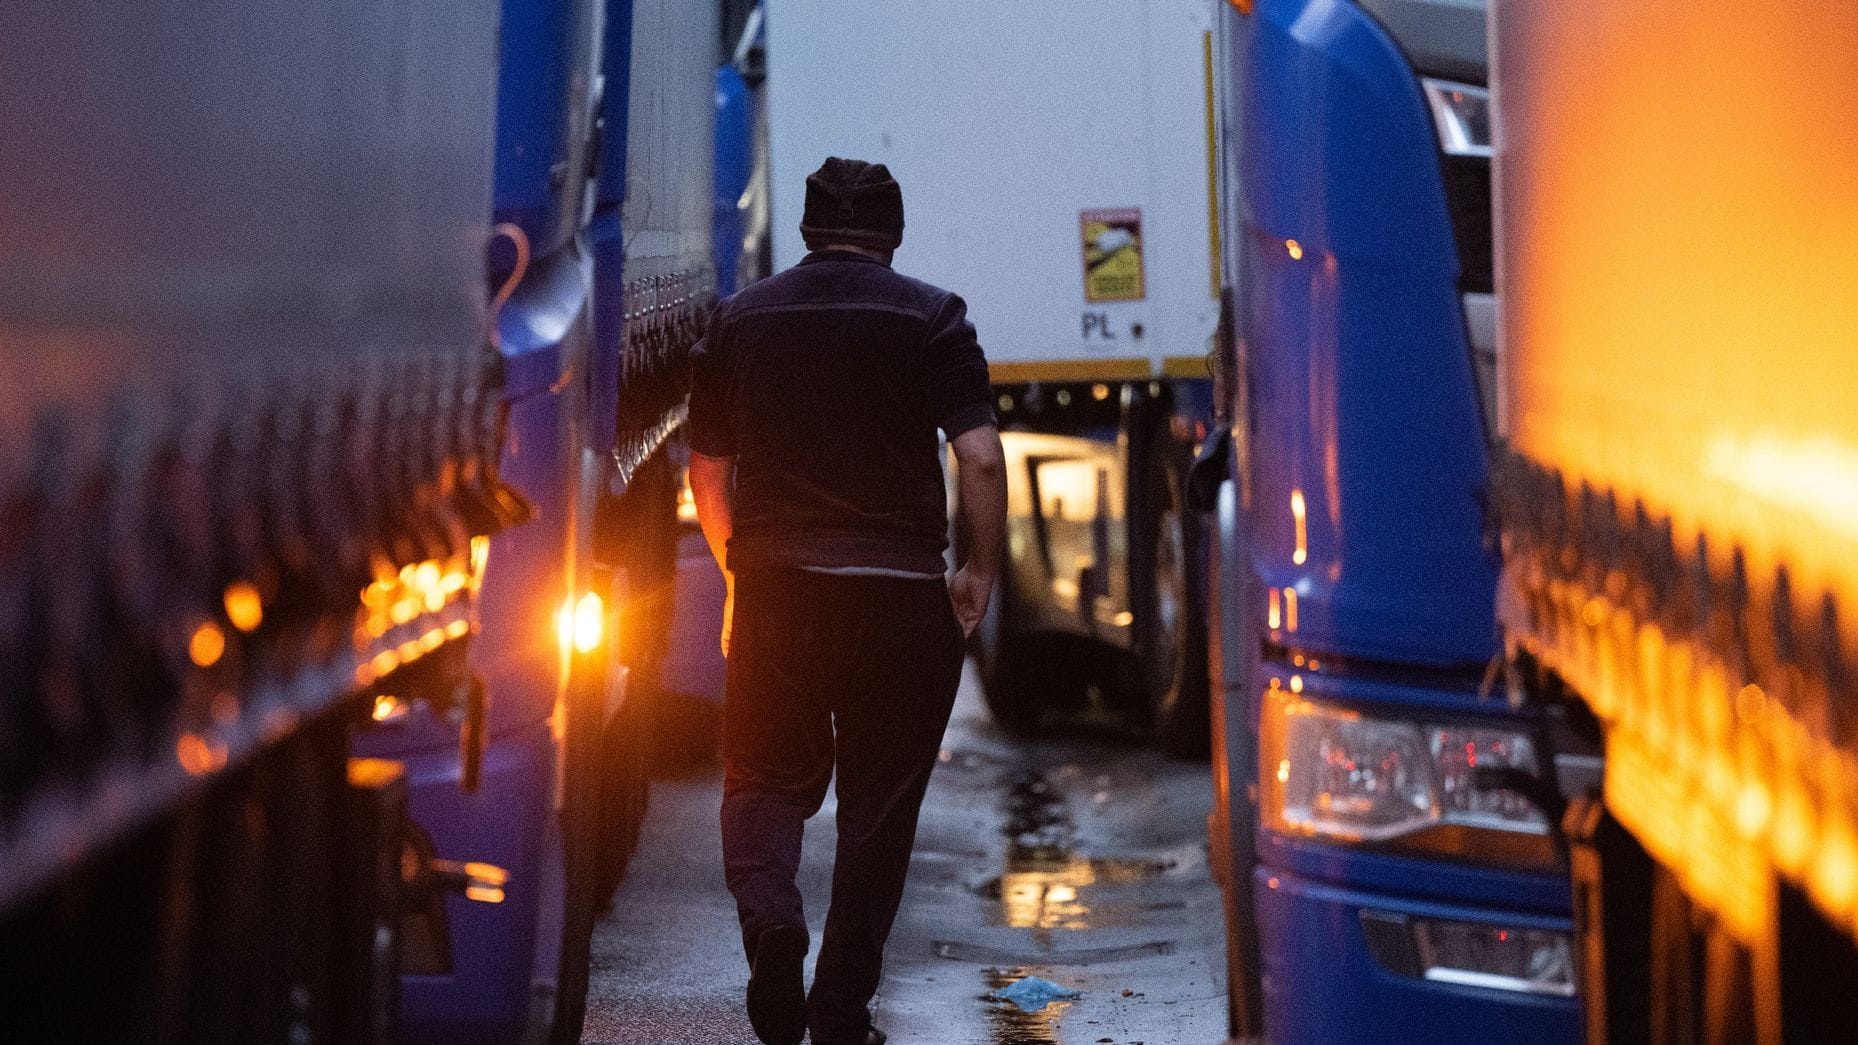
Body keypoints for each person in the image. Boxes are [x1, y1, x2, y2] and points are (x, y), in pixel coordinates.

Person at [686, 156, 1007, 1045]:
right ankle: (837, 1012)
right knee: (880, 808)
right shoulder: (934, 317)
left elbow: (707, 470)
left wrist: (736, 570)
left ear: (805, 231)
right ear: (894, 236)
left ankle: (771, 925)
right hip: (902, 598)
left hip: (780, 588)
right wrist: (975, 575)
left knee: (759, 779)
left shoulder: (741, 320)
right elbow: (978, 457)